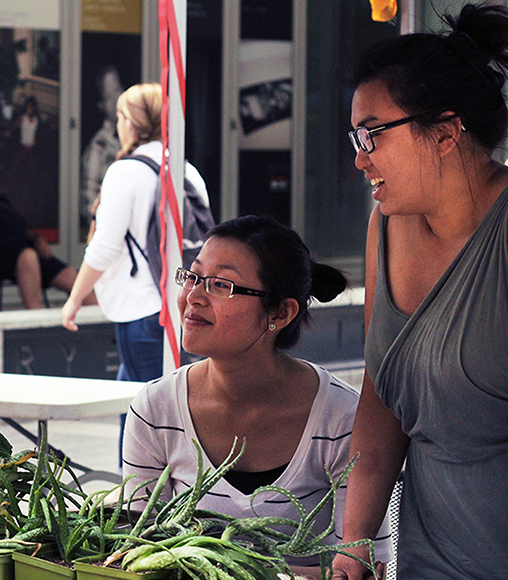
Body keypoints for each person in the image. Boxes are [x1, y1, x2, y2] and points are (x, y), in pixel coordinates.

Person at [332, 4, 508, 579]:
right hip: (423, 562)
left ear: (443, 133)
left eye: (372, 134)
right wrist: (354, 542)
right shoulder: (385, 226)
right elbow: (381, 401)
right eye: (353, 135)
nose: (359, 157)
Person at [122, 215, 392, 577]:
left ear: (280, 312)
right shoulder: (155, 410)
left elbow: (364, 568)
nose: (194, 297)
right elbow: (136, 554)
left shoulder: (341, 419)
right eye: (193, 276)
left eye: (221, 285)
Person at [61, 83, 207, 381]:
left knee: (147, 407)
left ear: (131, 123)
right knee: (140, 396)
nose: (118, 124)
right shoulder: (185, 170)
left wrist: (74, 298)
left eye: (120, 116)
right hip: (180, 304)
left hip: (141, 308)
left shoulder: (125, 171)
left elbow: (104, 247)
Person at [0, 151, 92, 309]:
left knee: (71, 275)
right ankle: (38, 321)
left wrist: (38, 239)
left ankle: (102, 323)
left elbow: (22, 227)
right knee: (28, 257)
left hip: (26, 249)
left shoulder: (1, 199)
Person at [80, 66, 125, 228]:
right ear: (101, 105)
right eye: (109, 96)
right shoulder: (98, 148)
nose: (116, 100)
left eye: (118, 90)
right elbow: (88, 200)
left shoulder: (134, 139)